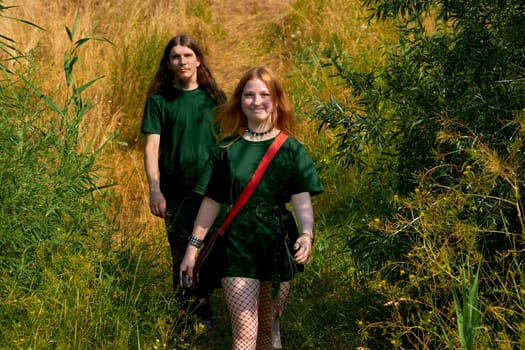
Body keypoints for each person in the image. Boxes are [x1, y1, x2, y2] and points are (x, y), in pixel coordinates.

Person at [180, 66, 323, 349]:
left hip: (277, 241)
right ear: (239, 101)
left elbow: (301, 199)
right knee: (245, 333)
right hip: (238, 244)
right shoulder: (227, 149)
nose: (256, 101)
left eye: (264, 95)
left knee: (270, 331)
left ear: (277, 100)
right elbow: (211, 203)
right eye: (249, 95)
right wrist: (191, 250)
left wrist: (306, 235)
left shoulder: (291, 148)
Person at [141, 34, 226, 325]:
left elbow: (228, 144)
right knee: (181, 254)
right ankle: (186, 318)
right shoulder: (159, 102)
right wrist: (154, 189)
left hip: (212, 192)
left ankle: (206, 305)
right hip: (175, 192)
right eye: (176, 56)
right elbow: (152, 146)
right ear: (168, 63)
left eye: (188, 55)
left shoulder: (215, 99)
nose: (182, 61)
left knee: (211, 251)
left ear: (198, 60)